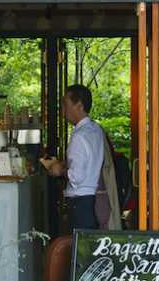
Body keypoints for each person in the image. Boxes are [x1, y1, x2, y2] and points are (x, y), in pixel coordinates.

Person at [45, 84, 120, 231]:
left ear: (79, 106)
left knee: (79, 243)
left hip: (80, 201)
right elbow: (90, 160)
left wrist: (59, 171)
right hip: (95, 198)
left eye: (65, 104)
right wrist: (65, 164)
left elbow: (77, 176)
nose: (62, 109)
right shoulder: (96, 129)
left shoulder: (79, 136)